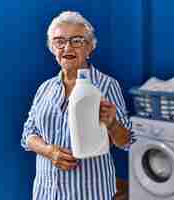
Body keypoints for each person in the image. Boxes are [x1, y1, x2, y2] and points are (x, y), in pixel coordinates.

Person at [21, 11, 133, 200]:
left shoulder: (106, 85)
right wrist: (49, 151)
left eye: (77, 41)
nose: (67, 47)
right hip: (46, 191)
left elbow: (127, 142)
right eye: (59, 41)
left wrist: (112, 124)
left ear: (89, 47)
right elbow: (27, 134)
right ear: (52, 48)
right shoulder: (45, 88)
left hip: (89, 192)